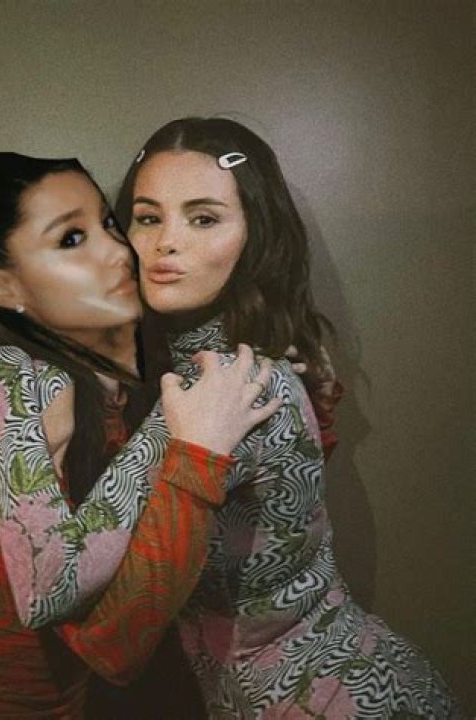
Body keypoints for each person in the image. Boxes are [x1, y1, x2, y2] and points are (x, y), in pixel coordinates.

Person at [102, 116, 458, 718]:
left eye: (203, 218)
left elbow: (105, 630)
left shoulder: (231, 380)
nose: (166, 243)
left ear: (256, 234)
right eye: (148, 217)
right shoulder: (211, 367)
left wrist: (18, 414)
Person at [0, 151, 282, 719]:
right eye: (71, 239)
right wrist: (190, 442)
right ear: (5, 287)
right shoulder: (18, 409)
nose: (118, 251)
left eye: (109, 224)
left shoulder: (121, 386)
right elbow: (109, 645)